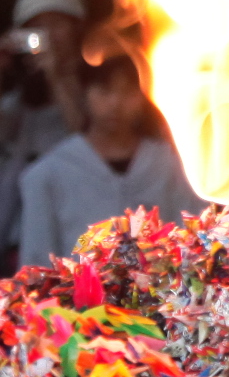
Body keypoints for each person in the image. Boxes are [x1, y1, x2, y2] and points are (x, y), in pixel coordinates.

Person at [18, 56, 205, 264]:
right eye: (104, 91)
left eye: (128, 92)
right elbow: (36, 258)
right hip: (82, 293)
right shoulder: (48, 173)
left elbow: (194, 240)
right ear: (85, 94)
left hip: (164, 291)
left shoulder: (173, 165)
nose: (116, 103)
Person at [0, 0, 89, 268]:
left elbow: (84, 137)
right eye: (36, 28)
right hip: (23, 232)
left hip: (80, 227)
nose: (48, 35)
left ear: (77, 28)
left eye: (56, 24)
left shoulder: (98, 87)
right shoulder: (20, 98)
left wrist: (55, 76)